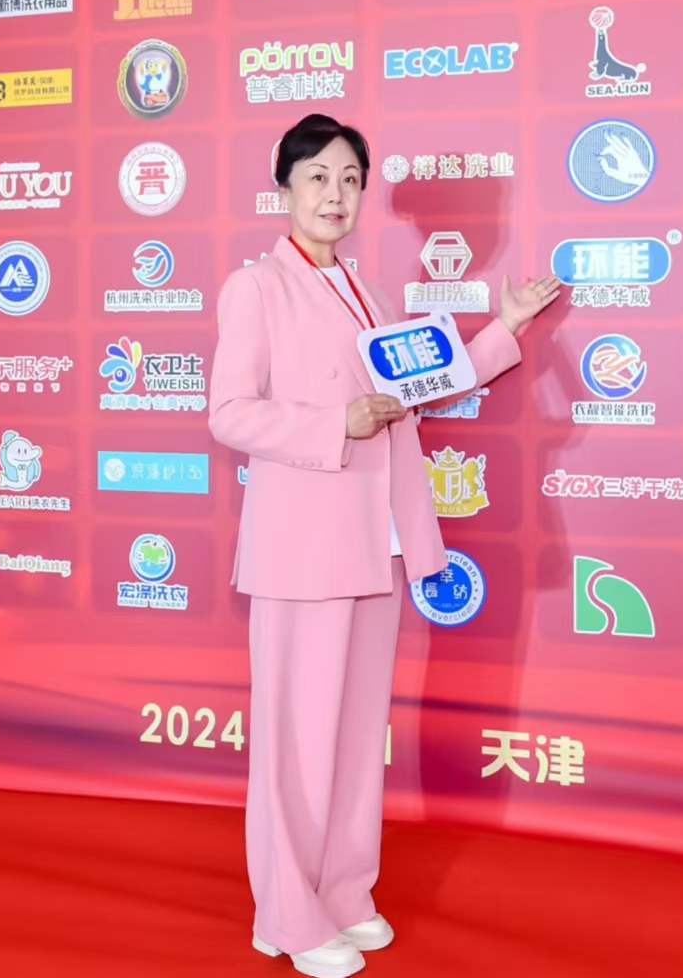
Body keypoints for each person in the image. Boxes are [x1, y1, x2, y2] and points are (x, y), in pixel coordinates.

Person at [209, 114, 561, 976]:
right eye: (317, 177)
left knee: (354, 733)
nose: (334, 194)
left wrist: (503, 329)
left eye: (349, 180)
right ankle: (286, 914)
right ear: (284, 186)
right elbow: (228, 413)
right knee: (297, 743)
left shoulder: (365, 291)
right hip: (303, 545)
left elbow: (418, 386)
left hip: (377, 538)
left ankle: (341, 891)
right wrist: (336, 421)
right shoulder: (256, 286)